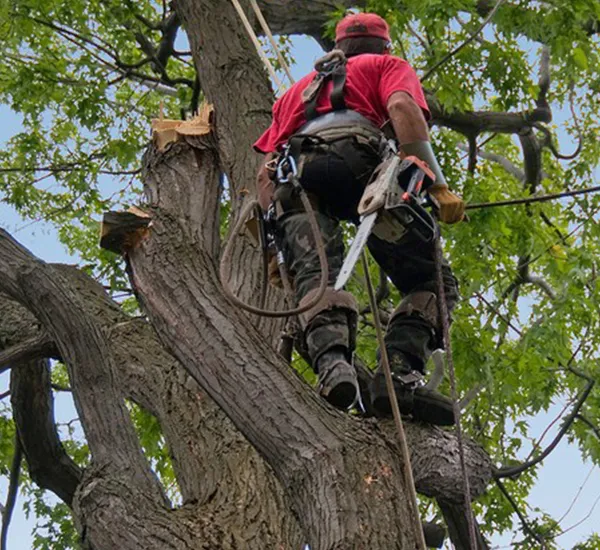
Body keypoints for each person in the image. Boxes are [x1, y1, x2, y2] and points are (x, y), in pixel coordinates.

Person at [253, 12, 465, 426]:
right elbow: (402, 106)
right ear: (382, 46)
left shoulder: (294, 93)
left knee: (316, 277)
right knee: (432, 281)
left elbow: (264, 172)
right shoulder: (387, 66)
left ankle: (333, 367)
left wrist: (274, 252)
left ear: (340, 46)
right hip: (361, 167)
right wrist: (436, 185)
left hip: (296, 181)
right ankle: (398, 375)